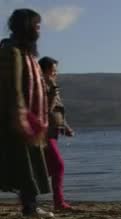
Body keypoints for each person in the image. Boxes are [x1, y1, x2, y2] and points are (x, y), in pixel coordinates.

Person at [0, 9, 53, 218]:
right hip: (13, 117)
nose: (39, 29)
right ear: (27, 26)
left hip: (25, 116)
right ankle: (30, 207)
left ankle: (30, 206)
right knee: (21, 163)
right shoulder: (11, 51)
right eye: (36, 25)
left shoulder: (26, 53)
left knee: (25, 163)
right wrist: (20, 115)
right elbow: (12, 87)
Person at [39, 56, 74, 211]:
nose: (56, 73)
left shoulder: (52, 87)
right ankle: (59, 202)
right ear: (45, 71)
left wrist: (65, 126)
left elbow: (57, 110)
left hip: (53, 131)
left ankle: (28, 196)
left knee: (45, 167)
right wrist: (53, 90)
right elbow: (47, 108)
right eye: (53, 70)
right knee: (58, 165)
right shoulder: (39, 86)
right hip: (43, 132)